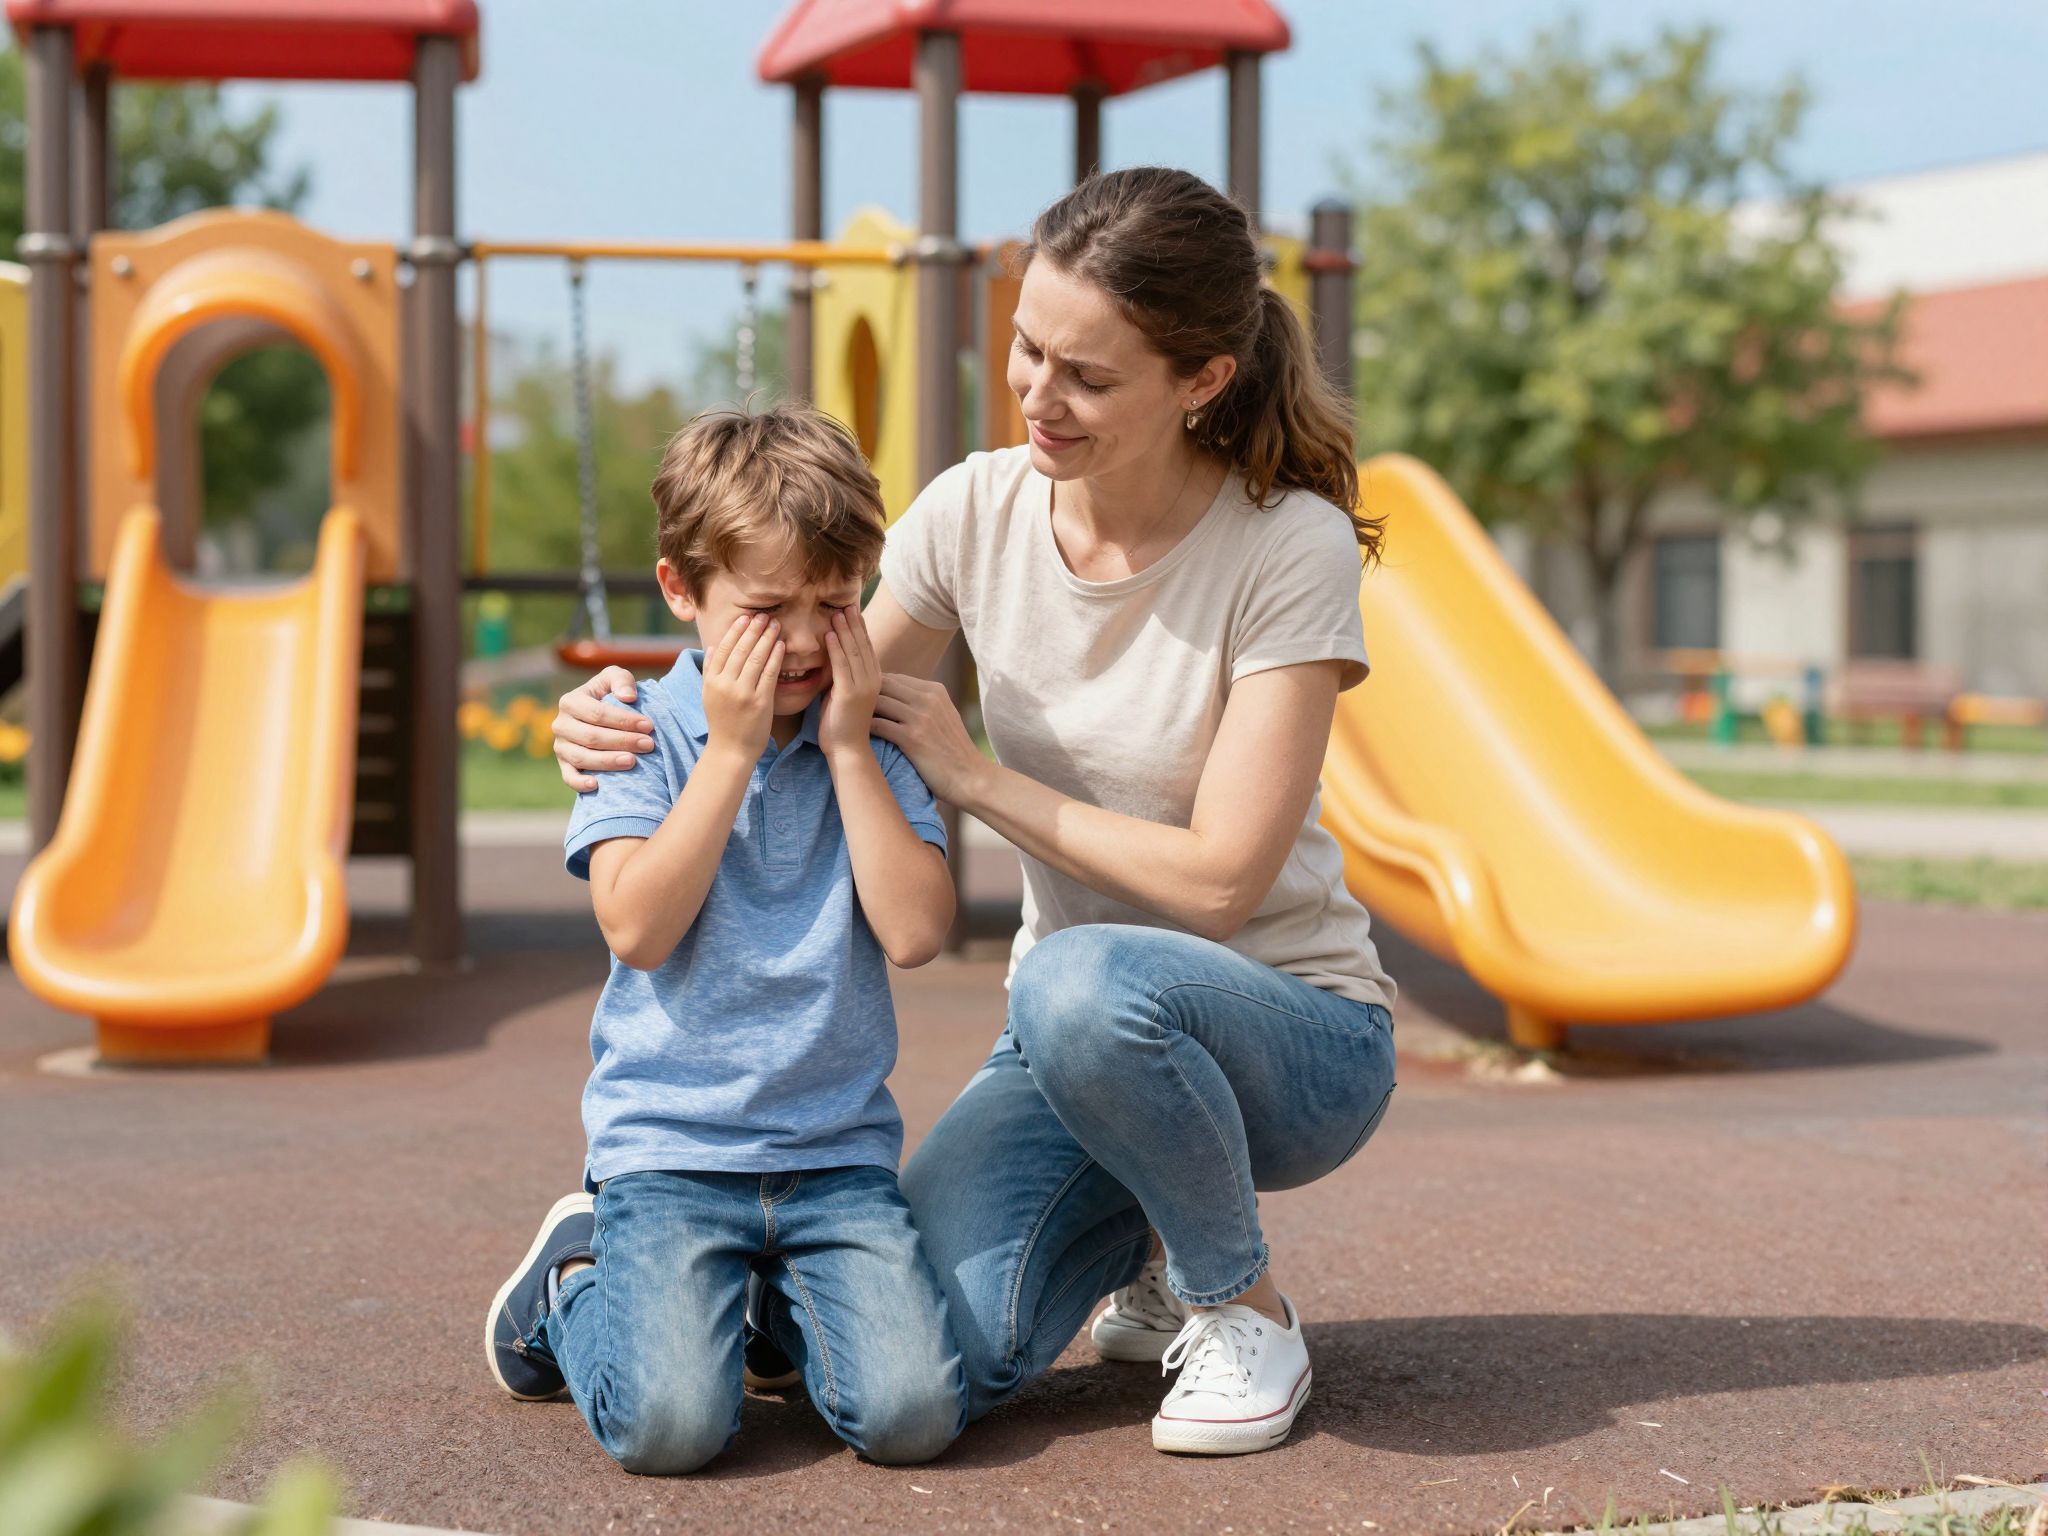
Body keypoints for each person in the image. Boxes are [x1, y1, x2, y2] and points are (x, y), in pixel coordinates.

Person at [551, 167, 1398, 1458]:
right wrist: (618, 716)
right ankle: (1141, 1230)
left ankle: (1239, 1301)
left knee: (1080, 978)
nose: (1037, 396)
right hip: (1074, 1045)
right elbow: (801, 684)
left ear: (1202, 380)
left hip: (1291, 1033)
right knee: (932, 1367)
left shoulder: (1287, 546)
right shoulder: (974, 511)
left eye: (1087, 376)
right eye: (1025, 349)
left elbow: (1223, 882)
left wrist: (979, 776)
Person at [486, 405, 966, 1475]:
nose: (802, 640)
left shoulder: (869, 738)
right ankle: (571, 1282)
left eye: (834, 604)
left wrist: (849, 752)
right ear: (680, 590)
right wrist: (731, 751)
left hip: (834, 1160)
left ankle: (764, 1311)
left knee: (911, 1418)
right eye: (763, 609)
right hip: (670, 1154)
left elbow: (916, 932)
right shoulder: (636, 732)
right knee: (670, 1431)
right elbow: (639, 929)